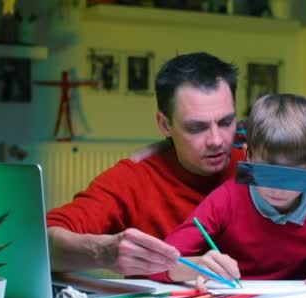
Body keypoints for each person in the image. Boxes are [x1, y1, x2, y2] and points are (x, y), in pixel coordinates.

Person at [150, 94, 306, 287]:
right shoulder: (225, 200)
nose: (278, 186)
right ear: (248, 157)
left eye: (293, 173)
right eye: (267, 170)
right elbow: (155, 263)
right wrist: (195, 266)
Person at [46, 52, 245, 276]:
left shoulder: (255, 167)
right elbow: (41, 243)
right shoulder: (135, 178)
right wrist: (103, 253)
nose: (216, 141)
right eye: (196, 128)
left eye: (226, 122)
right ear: (164, 124)